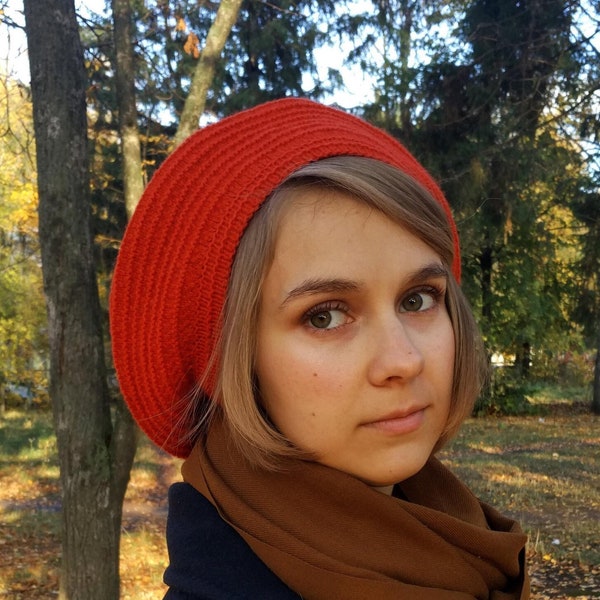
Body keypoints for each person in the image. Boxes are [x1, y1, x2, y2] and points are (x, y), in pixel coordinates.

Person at [110, 98, 529, 599]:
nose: (404, 360)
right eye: (325, 316)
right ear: (233, 359)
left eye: (418, 299)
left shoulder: (461, 535)